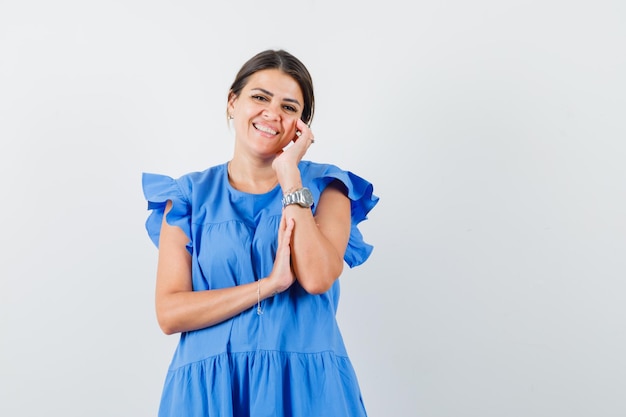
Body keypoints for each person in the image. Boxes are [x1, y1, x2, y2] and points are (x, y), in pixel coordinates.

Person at [142, 49, 379, 417]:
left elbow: (317, 278)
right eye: (259, 97)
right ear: (233, 102)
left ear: (302, 126)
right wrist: (267, 286)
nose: (272, 114)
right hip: (210, 389)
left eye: (289, 107)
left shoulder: (328, 187)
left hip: (307, 388)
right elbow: (170, 313)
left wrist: (289, 175)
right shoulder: (188, 195)